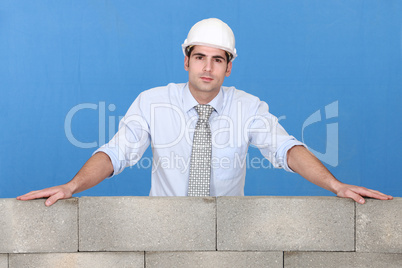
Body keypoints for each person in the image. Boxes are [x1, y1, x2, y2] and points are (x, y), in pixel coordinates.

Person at [17, 18, 392, 206]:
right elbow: (117, 152)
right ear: (186, 62)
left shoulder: (249, 107)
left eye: (217, 60)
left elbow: (285, 148)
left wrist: (336, 185)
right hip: (164, 229)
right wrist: (72, 186)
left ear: (229, 67)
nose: (207, 68)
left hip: (228, 231)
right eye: (199, 57)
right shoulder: (152, 101)